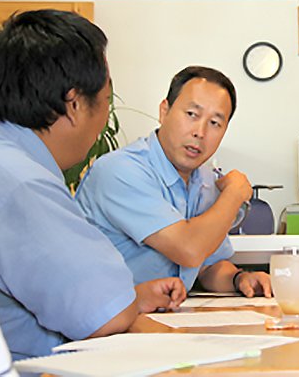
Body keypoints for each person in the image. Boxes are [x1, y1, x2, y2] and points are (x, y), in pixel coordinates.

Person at [0, 10, 186, 360]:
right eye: (106, 100)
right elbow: (107, 317)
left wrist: (131, 297)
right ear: (74, 104)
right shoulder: (21, 182)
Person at [76, 66, 272, 297]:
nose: (200, 132)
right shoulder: (120, 170)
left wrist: (240, 278)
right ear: (164, 111)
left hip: (162, 320)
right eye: (191, 114)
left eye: (215, 123)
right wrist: (235, 193)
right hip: (103, 322)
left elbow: (206, 266)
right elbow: (188, 249)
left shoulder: (205, 180)